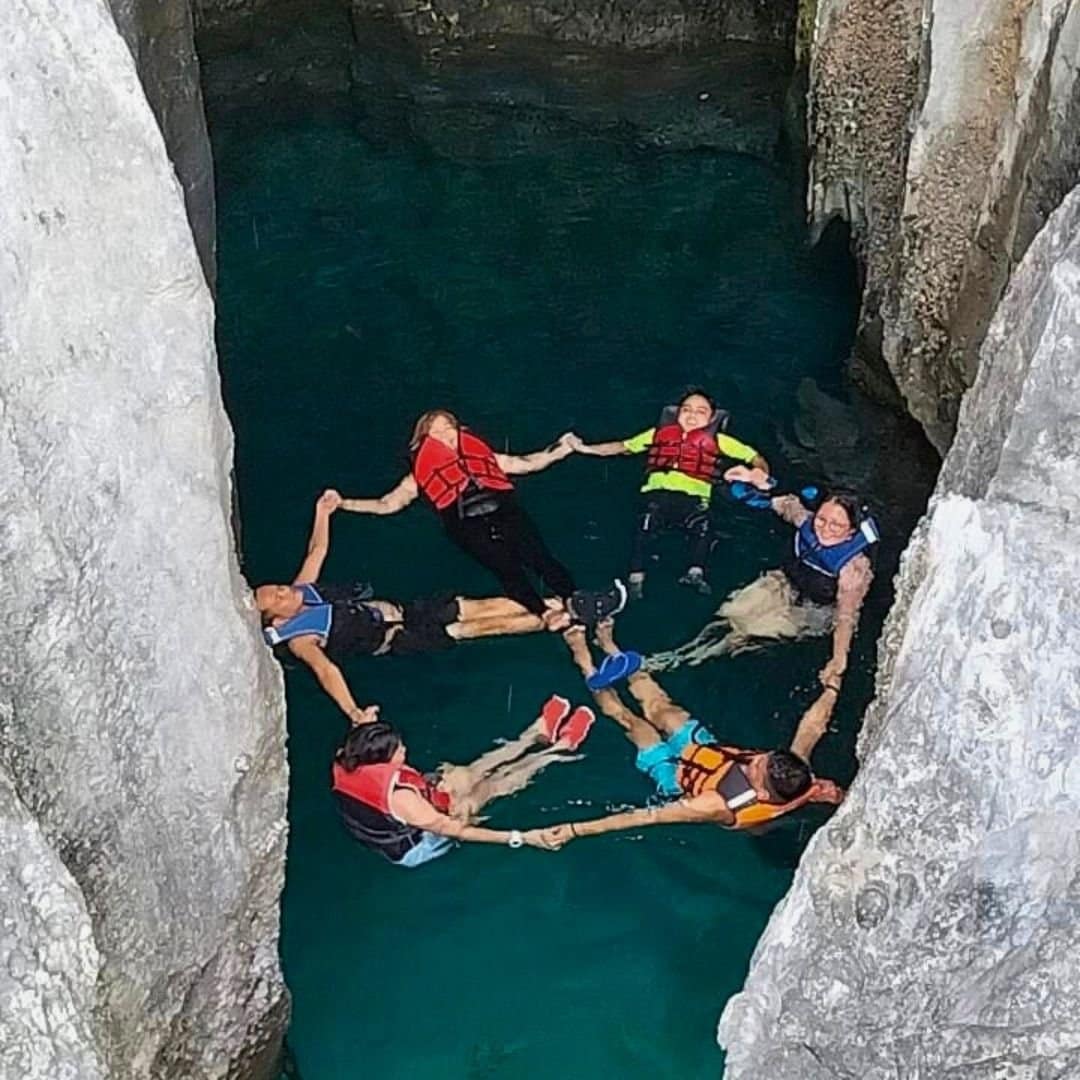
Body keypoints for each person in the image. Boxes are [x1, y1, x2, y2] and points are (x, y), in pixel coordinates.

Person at [255, 490, 611, 724]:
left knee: (475, 607)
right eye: (278, 598)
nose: (284, 591)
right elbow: (327, 671)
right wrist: (354, 712)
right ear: (278, 619)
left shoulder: (302, 592)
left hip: (408, 610)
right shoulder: (301, 640)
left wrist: (323, 512)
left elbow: (316, 551)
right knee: (480, 627)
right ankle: (567, 618)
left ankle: (564, 605)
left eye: (277, 587)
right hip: (400, 638)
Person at [538, 621, 843, 847]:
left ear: (762, 793)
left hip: (676, 778)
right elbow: (812, 725)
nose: (752, 760)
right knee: (661, 707)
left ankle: (583, 659)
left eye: (754, 768)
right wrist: (833, 684)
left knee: (632, 722)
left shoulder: (715, 805)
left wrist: (575, 830)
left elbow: (644, 818)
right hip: (707, 752)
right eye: (761, 757)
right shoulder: (797, 773)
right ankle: (613, 650)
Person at [338, 410, 591, 629]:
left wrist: (563, 448)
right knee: (507, 570)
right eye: (436, 431)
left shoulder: (486, 457)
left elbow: (528, 463)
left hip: (505, 512)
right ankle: (544, 612)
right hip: (467, 526)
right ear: (424, 439)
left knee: (540, 558)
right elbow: (387, 504)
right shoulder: (417, 477)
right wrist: (344, 503)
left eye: (448, 427)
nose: (444, 434)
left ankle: (573, 599)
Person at [648, 473, 878, 691]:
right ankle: (682, 649)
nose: (824, 529)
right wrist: (757, 483)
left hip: (815, 609)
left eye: (836, 525)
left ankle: (682, 661)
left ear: (851, 532)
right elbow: (784, 502)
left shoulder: (854, 568)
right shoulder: (805, 520)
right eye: (822, 519)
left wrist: (838, 660)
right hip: (784, 581)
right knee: (732, 611)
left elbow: (846, 617)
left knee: (748, 631)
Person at [332, 696, 596, 867]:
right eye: (398, 750)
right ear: (381, 759)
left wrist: (364, 723)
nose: (404, 750)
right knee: (490, 786)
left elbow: (360, 738)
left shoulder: (347, 757)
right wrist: (522, 837)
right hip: (418, 843)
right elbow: (456, 831)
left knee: (466, 774)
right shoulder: (402, 798)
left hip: (411, 806)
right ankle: (557, 750)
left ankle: (534, 735)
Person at [566, 390, 769, 597]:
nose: (692, 416)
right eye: (686, 410)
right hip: (657, 496)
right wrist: (586, 449)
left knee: (703, 527)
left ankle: (695, 573)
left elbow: (755, 457)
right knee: (645, 524)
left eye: (700, 412)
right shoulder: (657, 434)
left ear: (711, 418)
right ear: (677, 413)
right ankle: (636, 577)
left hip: (694, 499)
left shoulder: (720, 441)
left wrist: (759, 473)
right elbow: (623, 446)